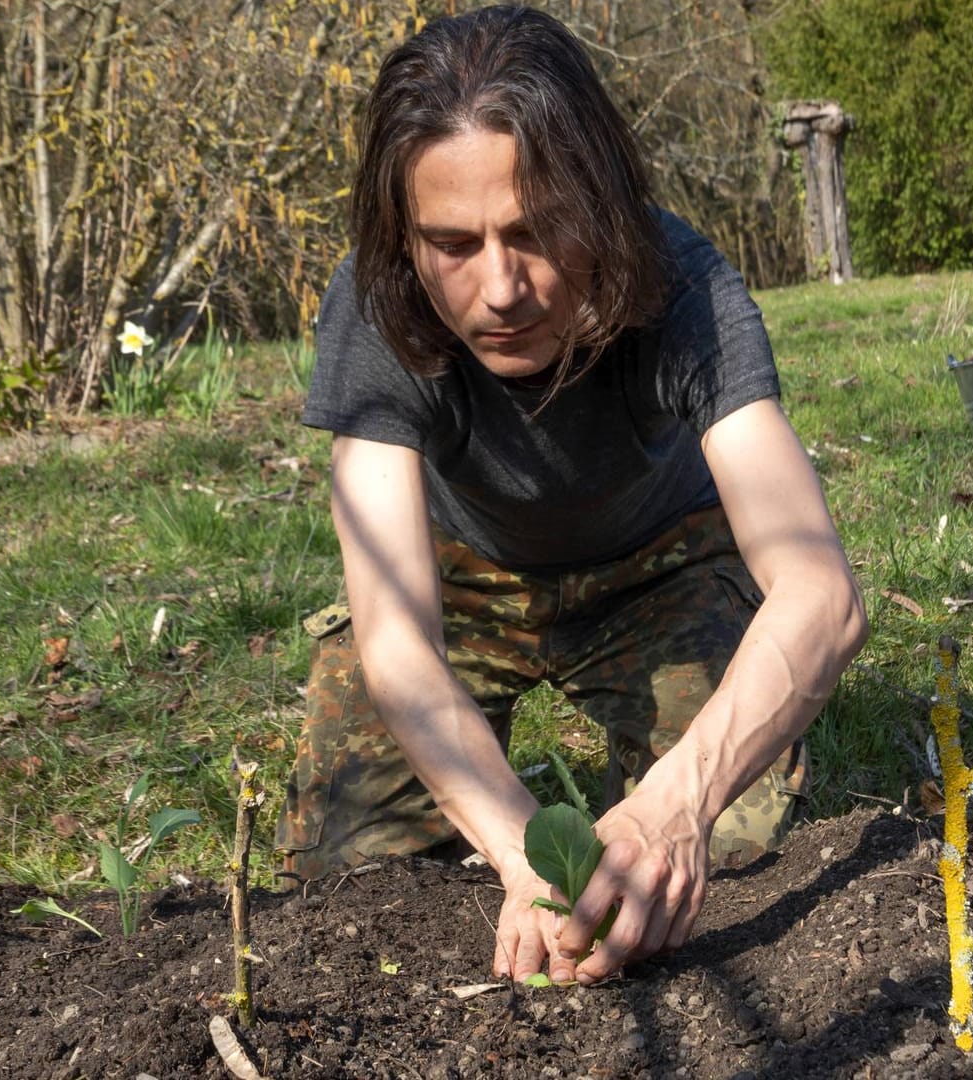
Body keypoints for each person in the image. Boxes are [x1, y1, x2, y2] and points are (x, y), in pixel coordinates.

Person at [274, 4, 867, 987]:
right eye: (452, 244)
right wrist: (524, 858)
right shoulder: (374, 306)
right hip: (455, 584)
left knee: (741, 844)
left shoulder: (687, 291)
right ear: (402, 239)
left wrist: (672, 811)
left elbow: (820, 596)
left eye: (537, 232)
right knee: (348, 872)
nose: (500, 289)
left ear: (599, 204)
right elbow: (395, 640)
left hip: (659, 569)